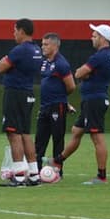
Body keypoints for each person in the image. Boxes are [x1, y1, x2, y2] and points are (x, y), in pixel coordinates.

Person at [51, 24, 110, 185]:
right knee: (77, 131)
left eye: (94, 36)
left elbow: (79, 73)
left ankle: (101, 176)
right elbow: (83, 73)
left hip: (95, 99)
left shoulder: (99, 56)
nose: (91, 38)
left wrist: (84, 74)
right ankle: (58, 160)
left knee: (97, 137)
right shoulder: (106, 55)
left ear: (102, 38)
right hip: (91, 100)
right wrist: (86, 74)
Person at [0, 18, 44, 186]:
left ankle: (18, 175)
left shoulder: (19, 50)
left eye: (15, 30)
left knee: (13, 133)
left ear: (22, 31)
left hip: (15, 93)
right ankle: (34, 174)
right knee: (25, 133)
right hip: (28, 92)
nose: (14, 33)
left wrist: (3, 62)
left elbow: (0, 68)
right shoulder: (37, 50)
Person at [34, 33, 75, 170]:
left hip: (57, 106)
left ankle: (57, 170)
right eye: (42, 44)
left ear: (55, 45)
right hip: (44, 106)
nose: (42, 47)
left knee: (57, 138)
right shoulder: (45, 62)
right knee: (40, 139)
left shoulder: (61, 64)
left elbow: (71, 86)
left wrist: (62, 100)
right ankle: (37, 170)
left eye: (46, 44)